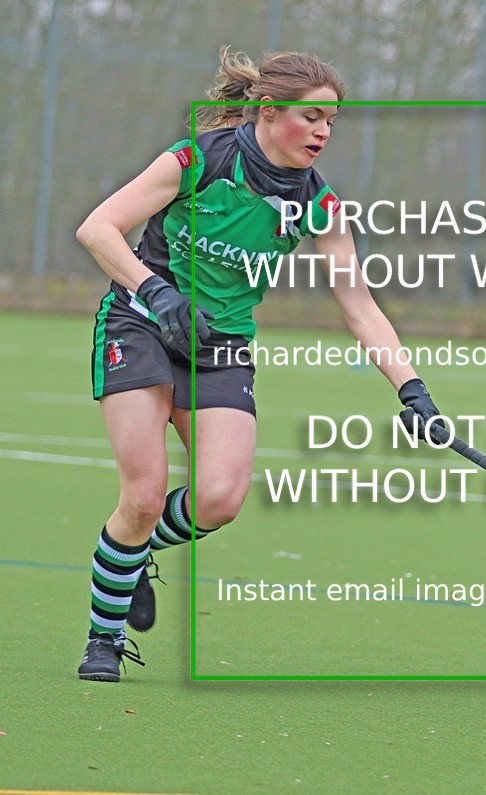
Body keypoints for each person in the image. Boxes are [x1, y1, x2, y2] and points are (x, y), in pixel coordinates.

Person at [76, 46, 441, 681]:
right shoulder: (198, 158)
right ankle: (103, 639)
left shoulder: (319, 205)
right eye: (313, 117)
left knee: (219, 499)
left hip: (221, 345)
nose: (325, 132)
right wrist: (156, 293)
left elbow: (360, 307)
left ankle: (128, 559)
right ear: (270, 112)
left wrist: (411, 387)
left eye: (333, 120)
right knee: (143, 496)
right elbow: (99, 229)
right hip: (142, 325)